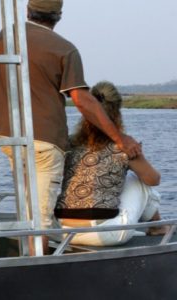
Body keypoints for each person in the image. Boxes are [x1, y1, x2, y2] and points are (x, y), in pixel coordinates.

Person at [0, 0, 142, 253]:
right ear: (58, 16)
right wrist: (120, 137)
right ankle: (38, 273)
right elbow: (82, 100)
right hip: (44, 140)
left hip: (7, 135)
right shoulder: (65, 49)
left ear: (28, 10)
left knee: (30, 209)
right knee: (41, 219)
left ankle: (31, 259)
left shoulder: (6, 36)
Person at [55, 81, 164, 246]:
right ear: (117, 112)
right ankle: (158, 227)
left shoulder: (71, 143)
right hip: (101, 234)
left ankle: (157, 226)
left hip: (61, 230)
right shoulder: (124, 147)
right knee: (138, 180)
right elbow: (153, 180)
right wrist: (138, 157)